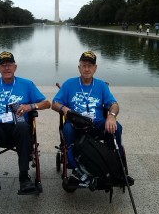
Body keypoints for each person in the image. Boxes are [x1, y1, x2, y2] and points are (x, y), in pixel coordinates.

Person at [0, 51, 51, 195]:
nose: (6, 68)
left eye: (9, 64)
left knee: (23, 127)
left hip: (19, 131)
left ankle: (24, 177)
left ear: (15, 67)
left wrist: (30, 106)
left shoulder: (27, 84)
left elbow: (47, 103)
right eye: (3, 65)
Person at [52, 51, 133, 184]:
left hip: (97, 123)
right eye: (84, 65)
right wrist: (65, 109)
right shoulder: (69, 84)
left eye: (90, 65)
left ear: (95, 68)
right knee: (67, 130)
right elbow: (55, 103)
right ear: (79, 68)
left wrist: (112, 116)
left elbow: (114, 104)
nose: (87, 69)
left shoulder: (101, 85)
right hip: (76, 123)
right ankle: (77, 168)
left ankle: (113, 163)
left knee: (117, 128)